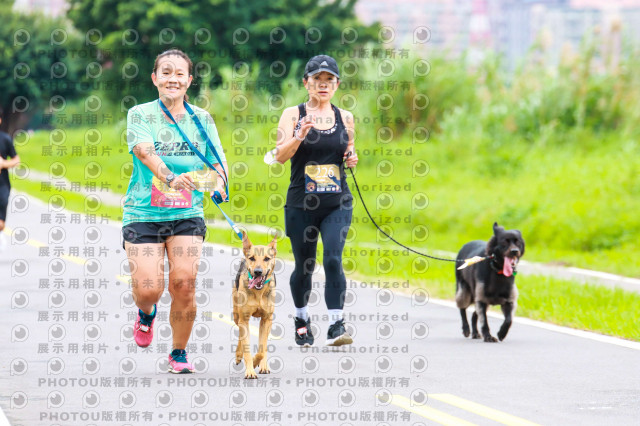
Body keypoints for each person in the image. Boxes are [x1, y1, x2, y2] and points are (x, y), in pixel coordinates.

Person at [122, 49, 227, 373]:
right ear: (154, 78)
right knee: (149, 290)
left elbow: (218, 163)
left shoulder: (202, 119)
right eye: (166, 72)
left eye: (179, 73)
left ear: (189, 80)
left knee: (184, 283)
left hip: (186, 214)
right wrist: (169, 177)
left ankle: (178, 353)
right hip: (143, 213)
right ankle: (146, 312)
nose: (173, 79)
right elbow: (144, 152)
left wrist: (219, 183)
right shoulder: (140, 114)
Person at [275, 55, 359, 347]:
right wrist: (299, 135)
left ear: (337, 84)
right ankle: (301, 318)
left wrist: (351, 157)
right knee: (305, 264)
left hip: (337, 202)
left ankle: (337, 324)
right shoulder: (292, 114)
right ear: (306, 83)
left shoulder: (345, 117)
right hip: (301, 204)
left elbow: (349, 149)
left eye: (329, 80)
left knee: (333, 258)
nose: (323, 85)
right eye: (317, 80)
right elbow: (280, 155)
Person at [0, 114, 21, 252]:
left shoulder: (5, 139)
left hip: (2, 185)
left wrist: (3, 163)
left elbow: (16, 160)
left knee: (1, 224)